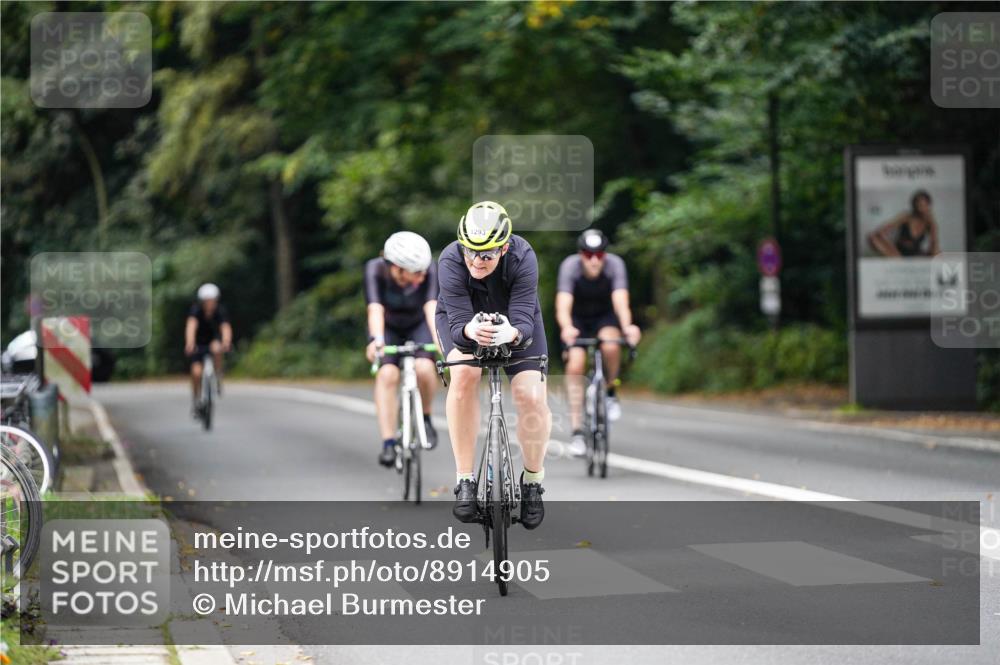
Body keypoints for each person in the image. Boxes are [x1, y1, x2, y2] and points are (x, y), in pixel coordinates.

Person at [436, 201, 550, 529]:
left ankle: (531, 483)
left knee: (530, 394)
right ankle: (466, 480)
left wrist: (512, 332)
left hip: (516, 318)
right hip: (463, 320)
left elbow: (525, 315)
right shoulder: (449, 259)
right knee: (463, 374)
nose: (475, 261)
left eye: (486, 254)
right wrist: (472, 330)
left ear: (504, 248)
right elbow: (457, 324)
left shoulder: (523, 256)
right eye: (469, 251)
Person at [556, 229, 641, 456]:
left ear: (605, 254)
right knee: (575, 365)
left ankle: (611, 390)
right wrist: (566, 328)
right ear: (580, 254)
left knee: (611, 345)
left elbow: (621, 302)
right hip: (577, 320)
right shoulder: (570, 267)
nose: (594, 260)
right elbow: (563, 304)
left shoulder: (615, 265)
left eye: (599, 254)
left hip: (605, 317)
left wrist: (628, 327)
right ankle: (577, 431)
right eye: (588, 254)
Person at [365, 231, 440, 467]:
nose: (423, 275)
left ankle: (425, 417)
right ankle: (388, 441)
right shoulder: (375, 269)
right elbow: (374, 308)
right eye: (417, 272)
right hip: (388, 326)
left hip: (418, 325)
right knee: (387, 374)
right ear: (397, 268)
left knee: (425, 368)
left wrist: (440, 340)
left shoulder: (429, 269)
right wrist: (376, 340)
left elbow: (431, 306)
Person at [184, 283, 232, 416]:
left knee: (217, 349)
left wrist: (226, 342)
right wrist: (190, 343)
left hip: (213, 342)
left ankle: (217, 376)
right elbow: (191, 326)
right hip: (198, 344)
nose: (210, 303)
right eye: (207, 301)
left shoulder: (220, 311)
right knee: (196, 373)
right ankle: (196, 400)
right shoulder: (196, 311)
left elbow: (225, 327)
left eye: (212, 300)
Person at [868, 190, 940, 258]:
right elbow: (882, 230)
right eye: (918, 204)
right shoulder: (906, 217)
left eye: (923, 204)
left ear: (928, 206)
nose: (920, 207)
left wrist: (933, 225)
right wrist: (890, 247)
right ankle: (898, 259)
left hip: (916, 253)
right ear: (914, 205)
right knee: (872, 237)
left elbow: (934, 245)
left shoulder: (930, 222)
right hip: (898, 253)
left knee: (937, 254)